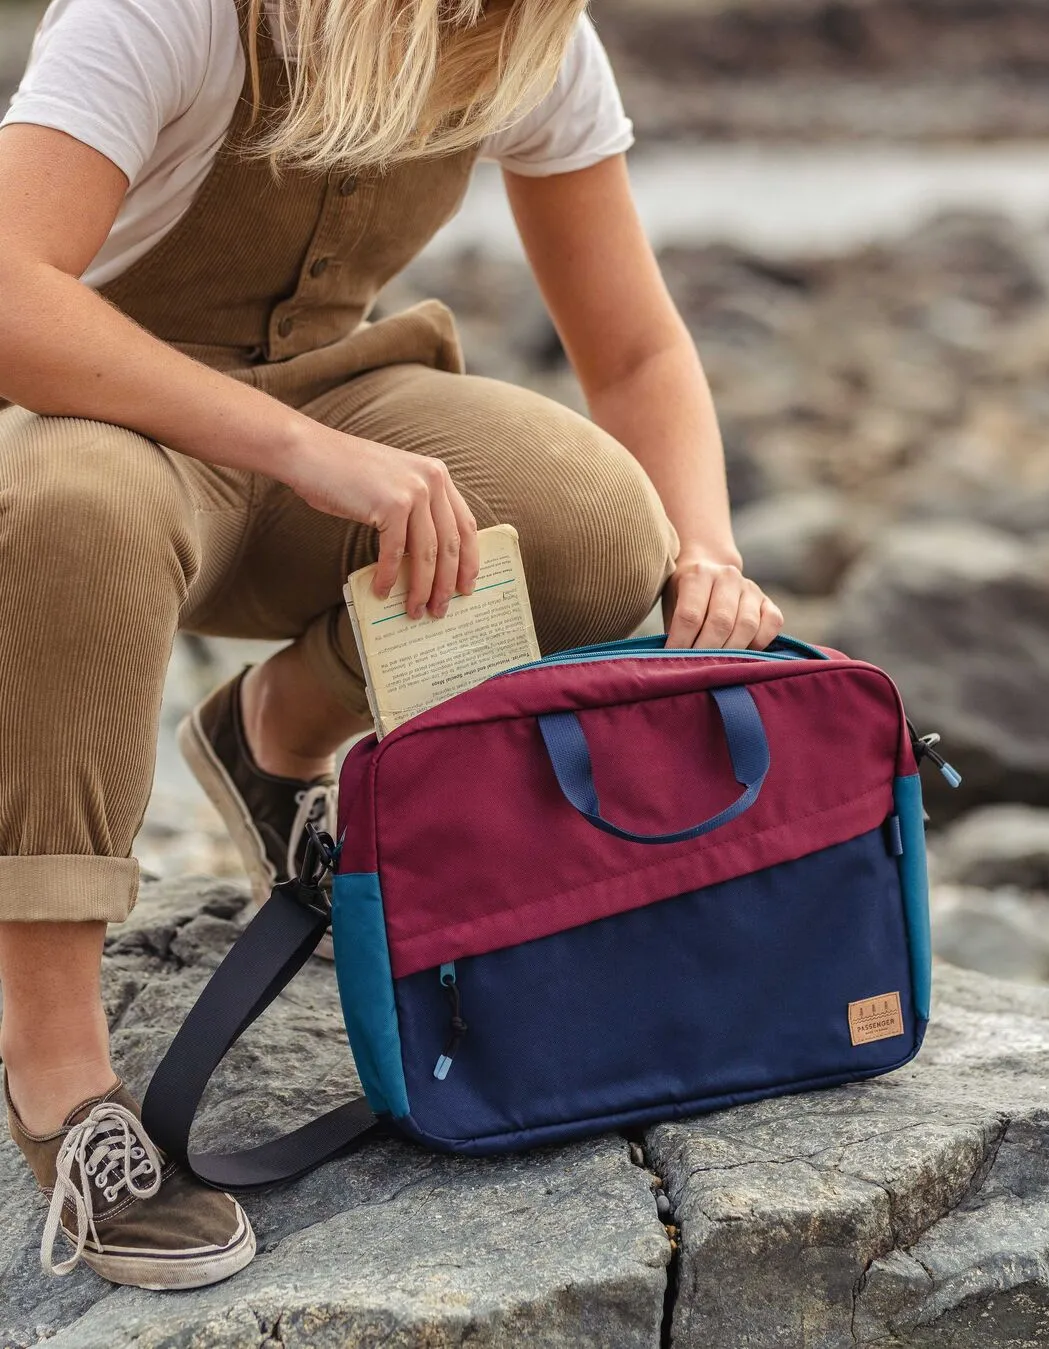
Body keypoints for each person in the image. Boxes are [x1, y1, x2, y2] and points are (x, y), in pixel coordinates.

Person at [0, 0, 784, 1292]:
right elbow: (17, 297)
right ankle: (55, 1067)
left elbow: (638, 349)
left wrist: (710, 553)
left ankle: (276, 733)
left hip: (333, 407)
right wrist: (303, 450)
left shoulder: (526, 37)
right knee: (79, 516)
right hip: (102, 429)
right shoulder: (174, 11)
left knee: (595, 527)